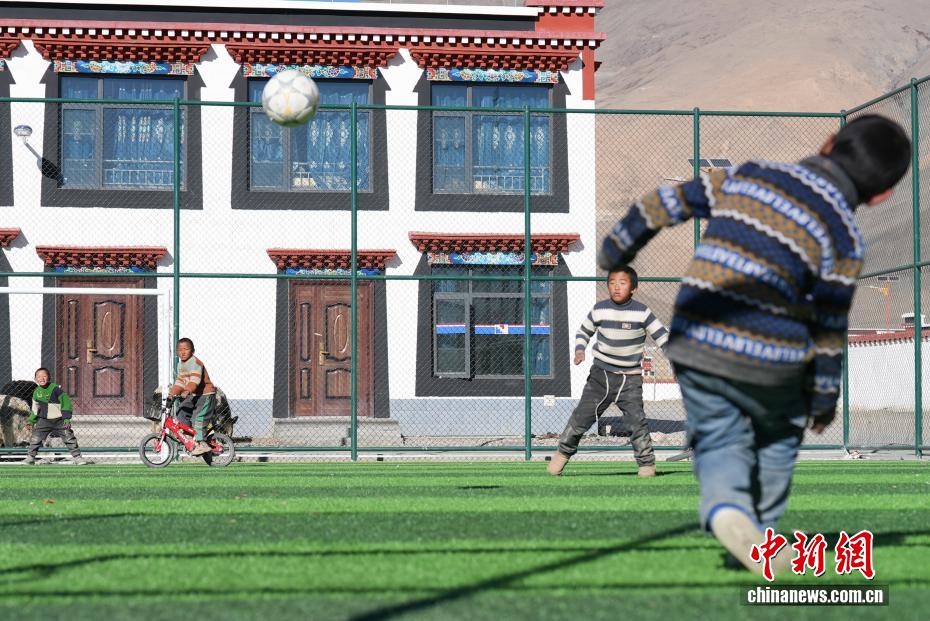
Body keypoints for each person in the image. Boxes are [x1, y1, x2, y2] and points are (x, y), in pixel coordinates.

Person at [597, 114, 911, 574]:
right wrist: (824, 396)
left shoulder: (753, 175)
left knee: (717, 433)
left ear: (828, 142)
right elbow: (828, 327)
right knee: (777, 439)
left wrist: (618, 248)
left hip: (697, 336)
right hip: (772, 356)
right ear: (882, 195)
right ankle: (758, 530)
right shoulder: (846, 240)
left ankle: (726, 507)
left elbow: (668, 201)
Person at [548, 265, 669, 478]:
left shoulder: (642, 312)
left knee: (637, 423)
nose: (616, 287)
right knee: (580, 419)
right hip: (600, 376)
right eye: (612, 282)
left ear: (633, 288)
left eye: (622, 283)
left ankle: (647, 466)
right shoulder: (599, 309)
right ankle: (561, 455)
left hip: (630, 380)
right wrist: (579, 350)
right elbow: (583, 332)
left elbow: (662, 337)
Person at [24, 367, 91, 465]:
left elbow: (66, 403)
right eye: (39, 376)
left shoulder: (55, 389)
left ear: (49, 378)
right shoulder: (36, 392)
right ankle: (30, 457)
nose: (42, 378)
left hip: (60, 420)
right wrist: (31, 421)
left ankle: (78, 457)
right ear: (35, 379)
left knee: (69, 437)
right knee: (35, 438)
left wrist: (66, 418)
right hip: (44, 420)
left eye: (44, 376)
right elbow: (35, 409)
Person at [169, 338, 216, 456]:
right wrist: (172, 393)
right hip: (193, 395)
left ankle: (202, 444)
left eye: (186, 349)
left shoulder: (195, 363)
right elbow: (180, 381)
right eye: (180, 350)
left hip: (205, 395)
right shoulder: (180, 364)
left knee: (198, 419)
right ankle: (190, 437)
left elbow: (195, 380)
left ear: (193, 351)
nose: (183, 352)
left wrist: (187, 390)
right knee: (181, 411)